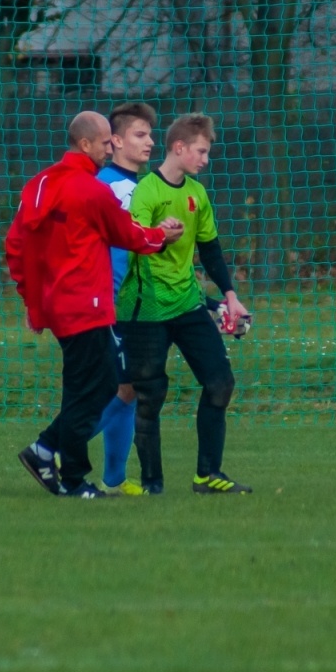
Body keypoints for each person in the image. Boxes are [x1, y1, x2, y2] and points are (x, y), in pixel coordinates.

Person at [5, 111, 183, 498]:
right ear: (85, 144)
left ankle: (51, 455)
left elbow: (16, 246)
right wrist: (162, 236)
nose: (109, 148)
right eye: (105, 141)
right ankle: (67, 473)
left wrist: (33, 300)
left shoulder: (38, 185)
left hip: (58, 306)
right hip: (89, 305)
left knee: (85, 387)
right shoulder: (91, 191)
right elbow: (128, 234)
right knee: (101, 387)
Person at [118, 113, 251, 494]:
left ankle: (208, 475)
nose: (206, 159)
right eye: (201, 151)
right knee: (150, 396)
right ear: (180, 148)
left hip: (188, 304)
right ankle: (151, 485)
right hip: (146, 310)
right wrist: (161, 235)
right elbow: (134, 237)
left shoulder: (196, 192)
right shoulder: (147, 190)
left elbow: (209, 248)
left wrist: (230, 296)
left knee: (220, 383)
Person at [91, 102, 158, 496]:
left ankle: (114, 479)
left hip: (133, 303)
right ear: (114, 141)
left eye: (150, 134)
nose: (150, 142)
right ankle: (52, 449)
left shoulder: (134, 187)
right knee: (125, 386)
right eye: (140, 134)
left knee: (129, 388)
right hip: (114, 303)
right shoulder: (115, 188)